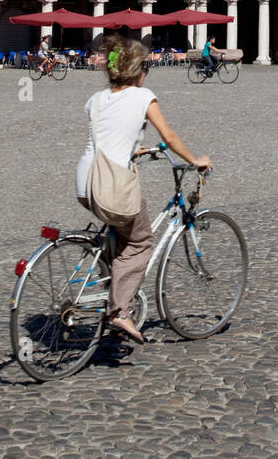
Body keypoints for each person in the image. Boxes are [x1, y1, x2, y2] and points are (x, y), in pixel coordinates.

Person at [75, 36, 212, 345]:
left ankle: (113, 279)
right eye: (146, 67)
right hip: (112, 184)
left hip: (85, 182)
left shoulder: (95, 99)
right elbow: (170, 135)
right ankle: (119, 310)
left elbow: (111, 134)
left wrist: (135, 149)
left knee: (120, 231)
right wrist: (195, 160)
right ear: (138, 71)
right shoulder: (143, 96)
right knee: (140, 243)